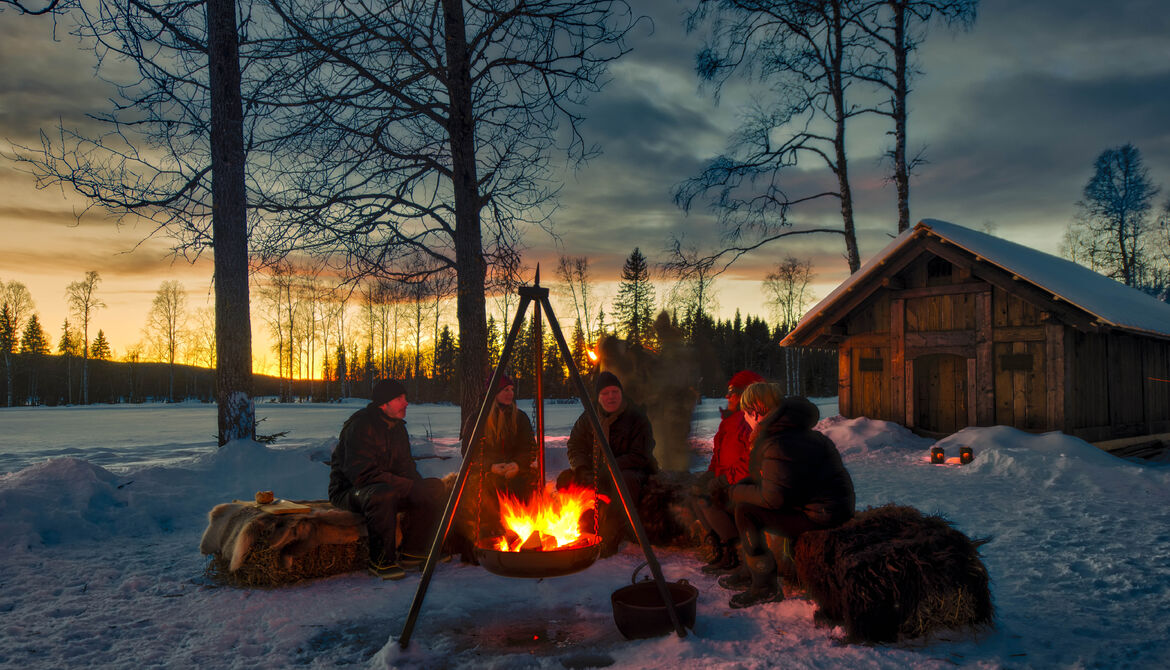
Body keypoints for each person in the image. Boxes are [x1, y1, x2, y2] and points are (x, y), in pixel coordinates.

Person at [722, 384, 855, 609]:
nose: (744, 418)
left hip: (823, 515)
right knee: (747, 498)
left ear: (754, 412)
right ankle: (751, 569)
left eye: (744, 412)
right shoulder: (792, 433)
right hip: (823, 507)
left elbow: (775, 498)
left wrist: (732, 491)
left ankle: (763, 586)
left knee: (746, 511)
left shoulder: (778, 442)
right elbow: (784, 482)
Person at [328, 379, 447, 580]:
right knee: (382, 493)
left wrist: (418, 488)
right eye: (400, 398)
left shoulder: (397, 427)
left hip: (385, 487)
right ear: (384, 403)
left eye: (405, 398)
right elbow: (363, 475)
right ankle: (381, 561)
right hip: (350, 491)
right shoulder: (360, 426)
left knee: (433, 487)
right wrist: (408, 486)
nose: (406, 403)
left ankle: (414, 551)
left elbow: (407, 468)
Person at [556, 371, 657, 554]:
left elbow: (640, 454)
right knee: (567, 479)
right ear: (598, 397)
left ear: (621, 393)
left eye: (614, 392)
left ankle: (611, 533)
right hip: (598, 469)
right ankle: (582, 526)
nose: (611, 397)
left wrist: (609, 468)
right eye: (605, 393)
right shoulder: (590, 417)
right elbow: (575, 445)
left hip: (631, 471)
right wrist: (582, 468)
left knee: (622, 481)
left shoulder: (636, 417)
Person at [691, 370, 764, 574]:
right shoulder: (728, 422)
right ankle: (718, 545)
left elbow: (751, 462)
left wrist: (724, 480)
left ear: (745, 395)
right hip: (728, 480)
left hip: (743, 484)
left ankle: (733, 550)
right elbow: (717, 457)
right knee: (696, 495)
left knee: (709, 500)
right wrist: (710, 475)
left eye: (732, 392)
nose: (727, 396)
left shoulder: (750, 422)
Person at [460, 374, 539, 538]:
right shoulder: (477, 419)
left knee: (526, 484)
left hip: (514, 468)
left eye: (511, 389)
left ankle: (523, 531)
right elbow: (469, 452)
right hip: (488, 470)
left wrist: (517, 464)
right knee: (484, 487)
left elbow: (529, 448)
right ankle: (488, 532)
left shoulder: (520, 417)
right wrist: (490, 466)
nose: (510, 393)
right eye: (505, 390)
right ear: (494, 393)